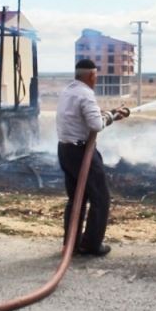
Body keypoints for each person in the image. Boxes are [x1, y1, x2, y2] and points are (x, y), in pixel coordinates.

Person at [56, 59, 129, 256]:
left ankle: (70, 243)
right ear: (91, 76)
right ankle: (91, 245)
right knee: (101, 198)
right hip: (81, 153)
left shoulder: (68, 91)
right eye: (96, 76)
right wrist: (112, 117)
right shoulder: (86, 94)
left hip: (65, 150)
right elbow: (96, 125)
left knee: (76, 199)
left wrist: (110, 114)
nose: (96, 79)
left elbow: (87, 118)